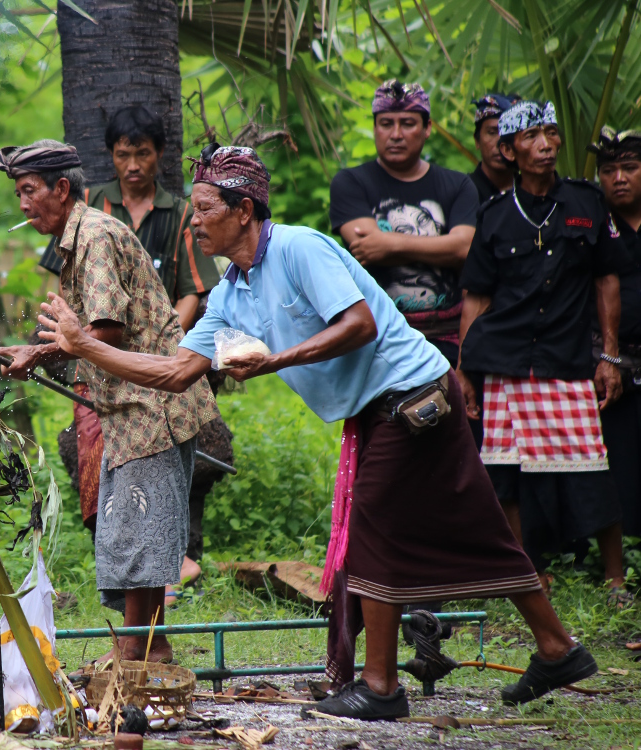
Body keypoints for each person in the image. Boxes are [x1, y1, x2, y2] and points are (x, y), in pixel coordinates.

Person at [38, 143, 596, 719]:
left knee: (370, 533)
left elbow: (360, 324)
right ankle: (558, 648)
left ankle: (380, 688)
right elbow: (176, 373)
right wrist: (82, 347)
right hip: (376, 410)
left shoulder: (299, 248)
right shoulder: (228, 293)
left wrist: (277, 360)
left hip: (413, 396)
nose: (194, 222)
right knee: (477, 526)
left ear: (244, 211)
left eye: (205, 209)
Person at [0, 139, 219, 663]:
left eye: (29, 191)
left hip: (152, 406)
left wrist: (39, 353)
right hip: (134, 409)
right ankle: (148, 646)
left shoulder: (94, 236)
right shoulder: (80, 238)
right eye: (19, 194)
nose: (23, 204)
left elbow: (104, 331)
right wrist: (41, 351)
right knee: (137, 528)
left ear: (62, 189)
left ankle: (141, 649)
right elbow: (88, 335)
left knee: (139, 529)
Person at [38, 106, 228, 606]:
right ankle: (138, 618)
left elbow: (180, 297)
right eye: (124, 154)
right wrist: (48, 348)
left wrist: (170, 351)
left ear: (159, 154)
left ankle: (152, 612)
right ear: (112, 157)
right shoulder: (88, 210)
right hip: (104, 374)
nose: (134, 164)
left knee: (146, 501)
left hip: (153, 377)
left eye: (142, 153)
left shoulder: (169, 215)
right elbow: (72, 311)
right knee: (110, 490)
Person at [456, 102, 628, 604]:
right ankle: (526, 572)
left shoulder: (586, 201)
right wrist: (464, 369)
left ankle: (616, 579)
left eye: (551, 133)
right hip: (504, 360)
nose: (546, 144)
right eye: (531, 136)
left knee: (591, 465)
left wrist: (610, 356)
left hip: (567, 358)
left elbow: (607, 279)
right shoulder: (493, 215)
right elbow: (476, 299)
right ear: (509, 150)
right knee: (505, 471)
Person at [329, 79, 479, 369]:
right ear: (375, 127)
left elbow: (466, 248)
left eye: (408, 123)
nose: (396, 134)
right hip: (379, 338)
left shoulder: (458, 185)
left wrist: (389, 244)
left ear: (427, 127)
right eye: (386, 124)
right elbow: (367, 246)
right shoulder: (351, 183)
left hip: (449, 337)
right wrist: (444, 247)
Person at [592, 126, 641, 561]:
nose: (619, 178)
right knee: (619, 466)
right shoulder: (593, 225)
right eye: (609, 170)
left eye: (629, 167)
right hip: (614, 363)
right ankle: (621, 559)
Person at [468, 94, 520, 201]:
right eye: (492, 133)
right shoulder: (464, 192)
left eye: (508, 133)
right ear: (477, 140)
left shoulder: (533, 191)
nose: (500, 143)